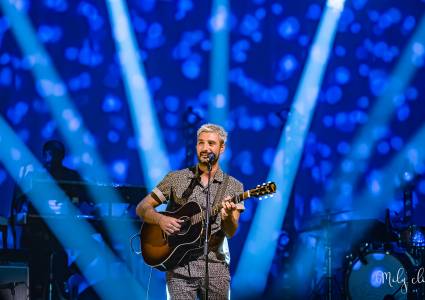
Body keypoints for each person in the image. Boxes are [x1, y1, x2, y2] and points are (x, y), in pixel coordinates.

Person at [136, 123, 244, 300]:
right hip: (178, 268)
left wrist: (227, 218)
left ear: (222, 148)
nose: (205, 148)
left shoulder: (233, 186)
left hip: (215, 269)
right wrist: (160, 220)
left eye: (211, 143)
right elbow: (142, 208)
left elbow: (231, 231)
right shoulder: (176, 178)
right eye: (201, 143)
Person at [11, 140, 83, 300]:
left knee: (57, 268)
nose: (53, 160)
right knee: (36, 269)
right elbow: (18, 201)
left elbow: (80, 198)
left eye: (56, 156)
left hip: (60, 233)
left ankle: (57, 291)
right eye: (51, 155)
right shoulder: (34, 175)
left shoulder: (70, 176)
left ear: (61, 157)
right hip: (36, 232)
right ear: (44, 156)